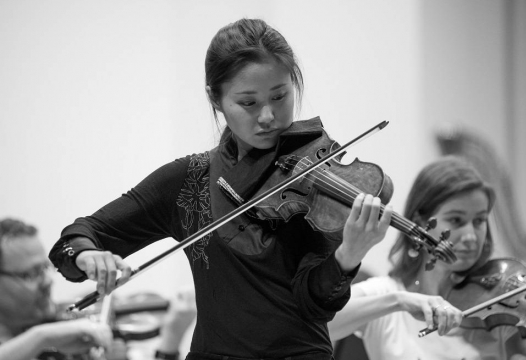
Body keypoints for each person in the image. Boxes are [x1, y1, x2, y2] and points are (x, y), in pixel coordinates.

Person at [48, 18, 394, 360]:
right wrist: (87, 254)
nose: (268, 116)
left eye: (280, 96)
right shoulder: (189, 180)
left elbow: (314, 305)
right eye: (249, 103)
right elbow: (77, 236)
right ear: (216, 99)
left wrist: (350, 255)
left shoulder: (317, 177)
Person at [329, 156, 526, 360]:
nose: (471, 236)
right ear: (420, 221)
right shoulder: (387, 293)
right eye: (456, 220)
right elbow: (323, 324)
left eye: (479, 220)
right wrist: (400, 301)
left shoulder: (501, 312)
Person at [0, 218, 113, 360]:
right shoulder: (43, 337)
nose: (48, 281)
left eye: (45, 268)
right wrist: (41, 337)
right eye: (32, 273)